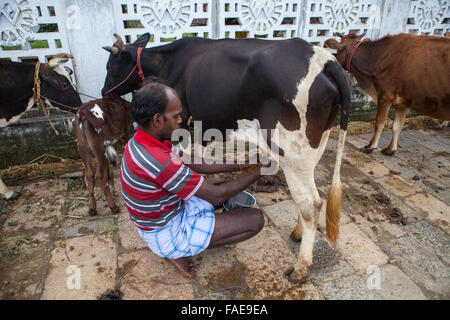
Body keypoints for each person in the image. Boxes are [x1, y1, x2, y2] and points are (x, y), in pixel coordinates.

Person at [120, 79, 269, 278]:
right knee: (255, 220)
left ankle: (190, 241)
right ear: (157, 120)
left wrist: (242, 164)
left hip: (164, 215)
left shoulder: (143, 140)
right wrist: (260, 172)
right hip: (167, 232)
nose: (181, 120)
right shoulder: (158, 161)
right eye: (175, 115)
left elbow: (197, 163)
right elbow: (216, 196)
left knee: (219, 188)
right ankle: (180, 250)